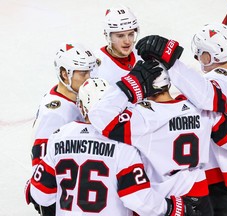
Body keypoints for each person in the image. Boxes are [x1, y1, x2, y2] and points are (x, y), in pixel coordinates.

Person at [88, 59, 227, 216]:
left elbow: (99, 116)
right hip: (200, 201)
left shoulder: (143, 118)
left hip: (164, 204)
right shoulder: (202, 110)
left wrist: (130, 85)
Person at [135, 23, 227, 216]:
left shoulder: (218, 85)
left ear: (212, 55)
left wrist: (171, 61)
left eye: (201, 53)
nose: (197, 58)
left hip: (226, 179)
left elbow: (206, 96)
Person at [25, 77, 198, 216]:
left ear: (82, 107)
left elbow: (42, 195)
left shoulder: (59, 137)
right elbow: (137, 198)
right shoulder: (123, 142)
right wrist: (170, 207)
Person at [28, 42, 97, 215]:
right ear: (65, 74)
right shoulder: (56, 112)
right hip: (57, 196)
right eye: (83, 73)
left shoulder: (72, 97)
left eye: (89, 71)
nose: (89, 78)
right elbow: (41, 160)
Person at [91, 5, 142, 84]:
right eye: (120, 36)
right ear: (108, 36)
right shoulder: (94, 64)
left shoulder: (142, 55)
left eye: (131, 34)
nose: (127, 41)